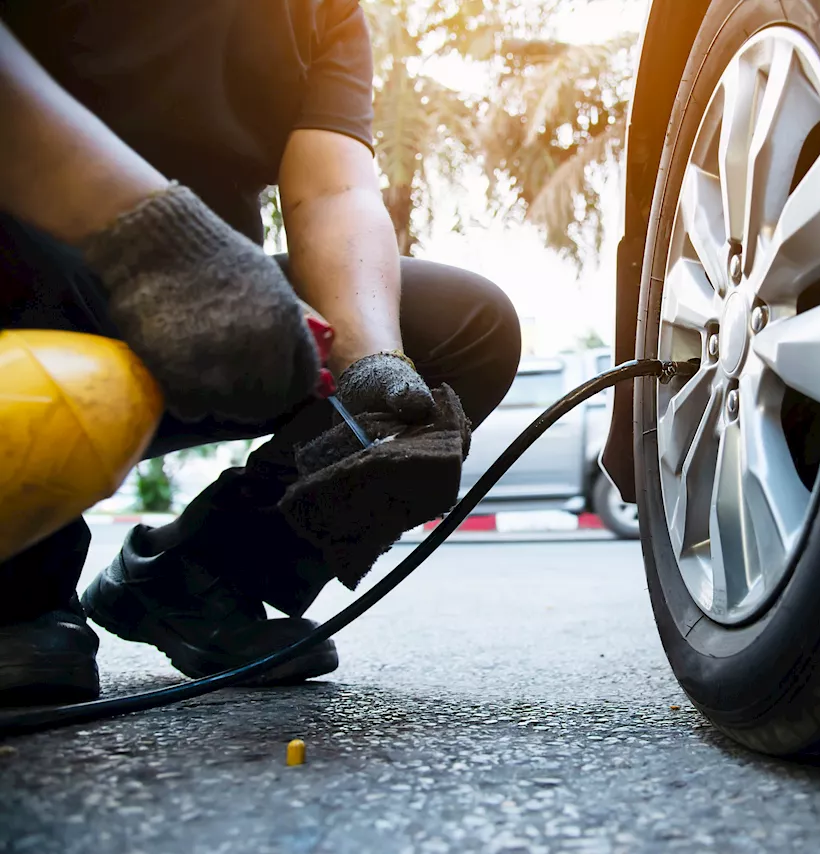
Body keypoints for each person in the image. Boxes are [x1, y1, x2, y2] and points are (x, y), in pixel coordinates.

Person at [0, 0, 521, 704]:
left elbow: (333, 188)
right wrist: (154, 241)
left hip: (206, 314)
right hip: (32, 286)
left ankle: (203, 577)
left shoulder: (321, 13)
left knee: (465, 328)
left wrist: (374, 366)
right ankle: (20, 589)